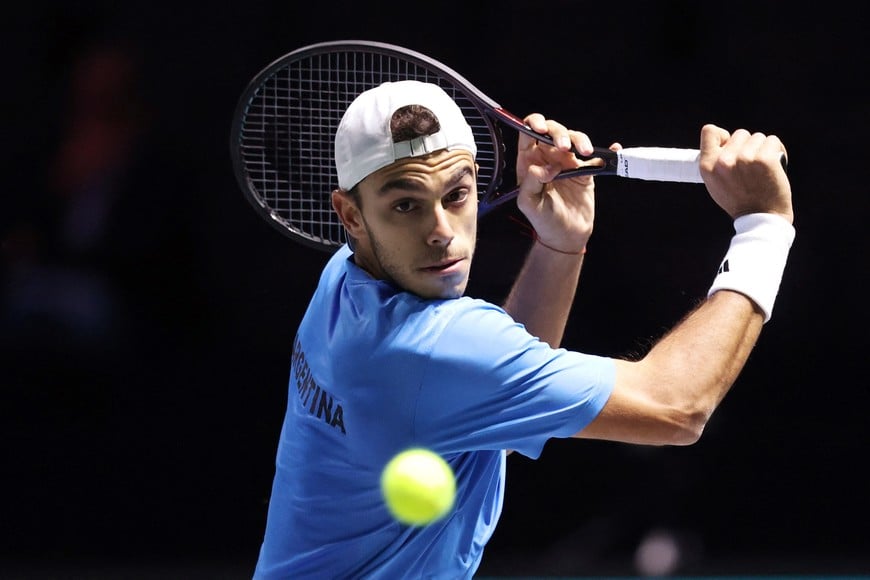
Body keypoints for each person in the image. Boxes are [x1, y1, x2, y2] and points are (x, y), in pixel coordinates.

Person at [252, 80, 794, 579]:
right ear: (349, 214)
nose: (441, 231)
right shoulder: (428, 348)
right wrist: (763, 227)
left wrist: (559, 246)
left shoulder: (340, 284)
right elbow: (677, 407)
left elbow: (486, 392)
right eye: (405, 205)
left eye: (456, 195)